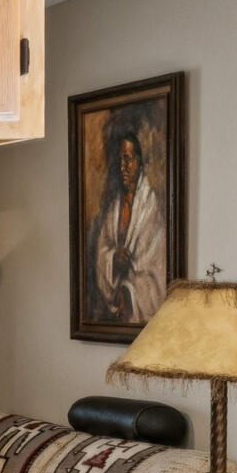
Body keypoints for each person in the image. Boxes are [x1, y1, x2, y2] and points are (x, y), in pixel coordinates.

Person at [90, 116, 168, 324]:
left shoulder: (150, 209)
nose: (123, 166)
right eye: (120, 160)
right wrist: (114, 259)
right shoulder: (114, 208)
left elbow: (154, 268)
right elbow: (102, 251)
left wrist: (129, 290)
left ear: (139, 163)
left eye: (128, 159)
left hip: (138, 309)